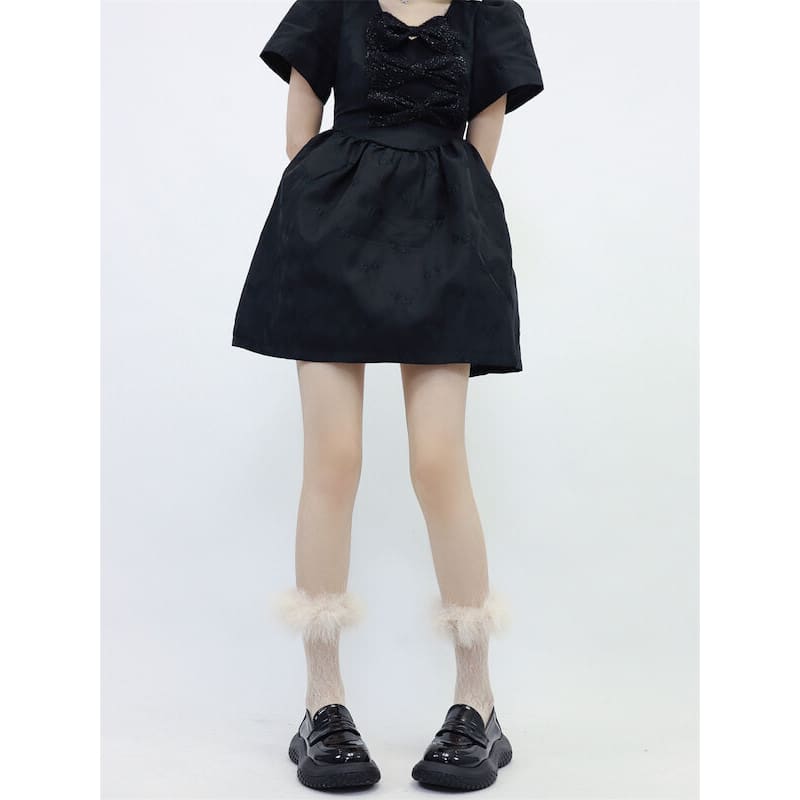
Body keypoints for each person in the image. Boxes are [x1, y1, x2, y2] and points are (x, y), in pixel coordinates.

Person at [232, 0, 543, 791]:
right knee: (333, 459)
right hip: (330, 236)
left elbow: (482, 144)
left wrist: (442, 221)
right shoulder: (331, 3)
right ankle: (321, 702)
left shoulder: (489, 11)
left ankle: (477, 703)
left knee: (438, 463)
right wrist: (328, 212)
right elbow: (300, 129)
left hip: (445, 235)